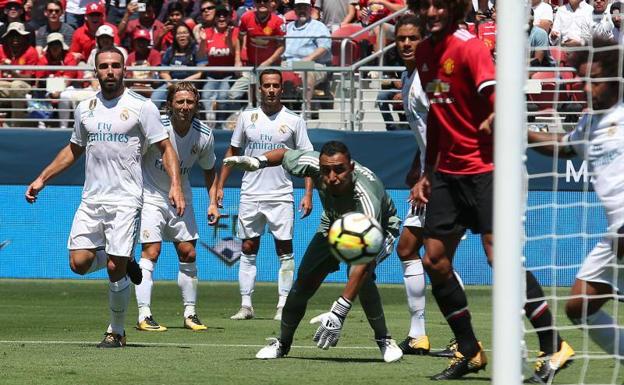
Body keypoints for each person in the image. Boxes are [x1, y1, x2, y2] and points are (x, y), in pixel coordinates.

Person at [411, 0, 574, 381]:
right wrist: (426, 170)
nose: (433, 12)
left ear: (453, 8)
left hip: (486, 171)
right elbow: (438, 114)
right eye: (427, 5)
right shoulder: (424, 53)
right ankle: (469, 350)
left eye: (440, 5)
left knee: (499, 257)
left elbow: (498, 97)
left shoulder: (469, 47)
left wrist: (498, 113)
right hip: (447, 175)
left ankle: (554, 345)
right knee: (433, 259)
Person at [24, 46, 185, 348]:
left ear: (125, 70)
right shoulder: (84, 108)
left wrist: (175, 185)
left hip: (126, 199)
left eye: (115, 66)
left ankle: (117, 330)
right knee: (79, 263)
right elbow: (73, 149)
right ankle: (124, 260)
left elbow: (166, 149)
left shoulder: (142, 107)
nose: (110, 71)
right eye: (104, 66)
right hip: (92, 199)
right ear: (95, 71)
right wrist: (42, 178)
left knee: (114, 269)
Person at [222, 140, 404, 363]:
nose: (332, 177)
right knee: (303, 283)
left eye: (339, 170)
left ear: (352, 168)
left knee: (361, 278)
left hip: (378, 229)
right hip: (334, 223)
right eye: (326, 170)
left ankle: (384, 339)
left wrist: (339, 311)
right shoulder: (313, 163)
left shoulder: (366, 199)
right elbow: (285, 154)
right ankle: (283, 343)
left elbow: (363, 261)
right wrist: (257, 161)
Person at [528, 37, 624, 368]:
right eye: (581, 79)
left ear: (615, 78)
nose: (585, 87)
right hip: (616, 233)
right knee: (578, 307)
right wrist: (520, 131)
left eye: (593, 79)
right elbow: (563, 146)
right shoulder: (589, 120)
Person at [217, 69, 314, 321]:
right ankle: (246, 305)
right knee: (248, 247)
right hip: (250, 193)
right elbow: (233, 150)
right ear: (259, 89)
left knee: (284, 249)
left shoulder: (294, 120)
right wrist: (219, 185)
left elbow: (307, 159)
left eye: (275, 86)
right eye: (266, 86)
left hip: (281, 194)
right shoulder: (246, 117)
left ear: (282, 89)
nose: (271, 90)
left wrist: (308, 194)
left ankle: (283, 305)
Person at [135, 81, 220, 332]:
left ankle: (190, 314)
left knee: (189, 253)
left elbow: (209, 169)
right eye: (180, 102)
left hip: (182, 198)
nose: (184, 107)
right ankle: (144, 315)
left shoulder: (204, 134)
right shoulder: (155, 128)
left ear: (196, 105)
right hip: (151, 195)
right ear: (170, 104)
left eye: (190, 102)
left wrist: (213, 202)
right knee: (151, 253)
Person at [391, 13, 431, 356]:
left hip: (446, 176)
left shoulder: (429, 79)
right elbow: (426, 135)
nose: (406, 44)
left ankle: (468, 339)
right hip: (430, 173)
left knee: (435, 258)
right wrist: (417, 167)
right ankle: (419, 334)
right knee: (408, 249)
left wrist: (428, 174)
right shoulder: (409, 76)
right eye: (401, 38)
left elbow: (446, 132)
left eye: (412, 38)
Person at [226, 0, 285, 106]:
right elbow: (239, 39)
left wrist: (268, 62)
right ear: (254, 3)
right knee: (233, 94)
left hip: (271, 68)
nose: (262, 3)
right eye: (258, 1)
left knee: (262, 98)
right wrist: (237, 60)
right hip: (251, 66)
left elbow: (282, 46)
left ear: (271, 3)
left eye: (265, 1)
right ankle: (242, 116)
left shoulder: (278, 21)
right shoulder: (246, 18)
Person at [282, 0, 331, 111]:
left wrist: (306, 60)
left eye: (305, 7)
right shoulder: (288, 27)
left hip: (313, 64)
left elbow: (324, 47)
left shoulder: (319, 26)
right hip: (288, 63)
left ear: (310, 9)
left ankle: (305, 110)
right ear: (294, 10)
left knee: (306, 72)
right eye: (299, 7)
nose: (302, 10)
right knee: (268, 72)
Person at [198, 3, 241, 127]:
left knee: (223, 96)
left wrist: (228, 39)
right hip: (212, 75)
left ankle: (221, 124)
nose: (221, 18)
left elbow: (234, 53)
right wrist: (203, 41)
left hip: (228, 75)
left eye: (224, 15)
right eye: (218, 16)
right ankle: (211, 124)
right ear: (214, 18)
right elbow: (201, 55)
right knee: (206, 95)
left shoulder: (234, 31)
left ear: (229, 18)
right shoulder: (207, 32)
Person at [151, 22, 206, 108]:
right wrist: (170, 83)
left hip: (190, 84)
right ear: (175, 36)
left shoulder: (196, 49)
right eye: (179, 33)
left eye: (184, 33)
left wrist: (182, 83)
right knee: (155, 98)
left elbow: (200, 73)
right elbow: (164, 71)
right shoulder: (170, 50)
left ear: (189, 35)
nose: (182, 36)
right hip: (172, 83)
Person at [0, 22, 38, 127]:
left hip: (24, 84)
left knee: (16, 85)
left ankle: (16, 125)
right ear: (7, 37)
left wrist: (12, 72)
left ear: (23, 36)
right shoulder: (1, 49)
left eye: (18, 35)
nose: (15, 38)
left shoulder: (31, 51)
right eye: (12, 35)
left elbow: (30, 78)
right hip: (4, 84)